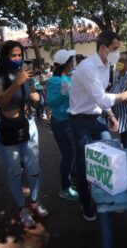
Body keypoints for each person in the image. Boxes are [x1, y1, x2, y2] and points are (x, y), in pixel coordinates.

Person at [69, 30, 127, 221]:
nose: (117, 53)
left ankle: (111, 195)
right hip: (80, 122)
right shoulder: (88, 68)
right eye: (115, 49)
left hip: (96, 119)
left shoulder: (106, 66)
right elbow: (102, 98)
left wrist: (110, 115)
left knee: (111, 153)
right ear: (103, 48)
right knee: (83, 163)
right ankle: (86, 203)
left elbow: (99, 98)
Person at [0, 40, 48, 228]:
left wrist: (35, 98)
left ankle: (34, 201)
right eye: (13, 55)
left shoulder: (26, 74)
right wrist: (16, 83)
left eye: (19, 55)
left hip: (28, 123)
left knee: (34, 168)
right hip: (8, 128)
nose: (17, 59)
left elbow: (34, 98)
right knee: (14, 171)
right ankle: (21, 207)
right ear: (5, 56)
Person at [46, 49, 78, 201]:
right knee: (68, 155)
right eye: (72, 61)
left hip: (70, 121)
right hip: (60, 123)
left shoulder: (70, 78)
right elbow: (50, 103)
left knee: (73, 154)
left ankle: (72, 179)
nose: (74, 63)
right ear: (66, 64)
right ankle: (64, 188)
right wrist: (62, 93)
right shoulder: (55, 81)